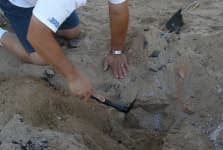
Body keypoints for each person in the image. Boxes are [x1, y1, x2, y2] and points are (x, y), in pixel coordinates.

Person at [0, 0, 129, 100]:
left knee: (72, 32)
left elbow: (118, 10)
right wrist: (73, 77)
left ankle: (42, 14)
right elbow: (36, 35)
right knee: (40, 57)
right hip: (20, 3)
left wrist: (116, 51)